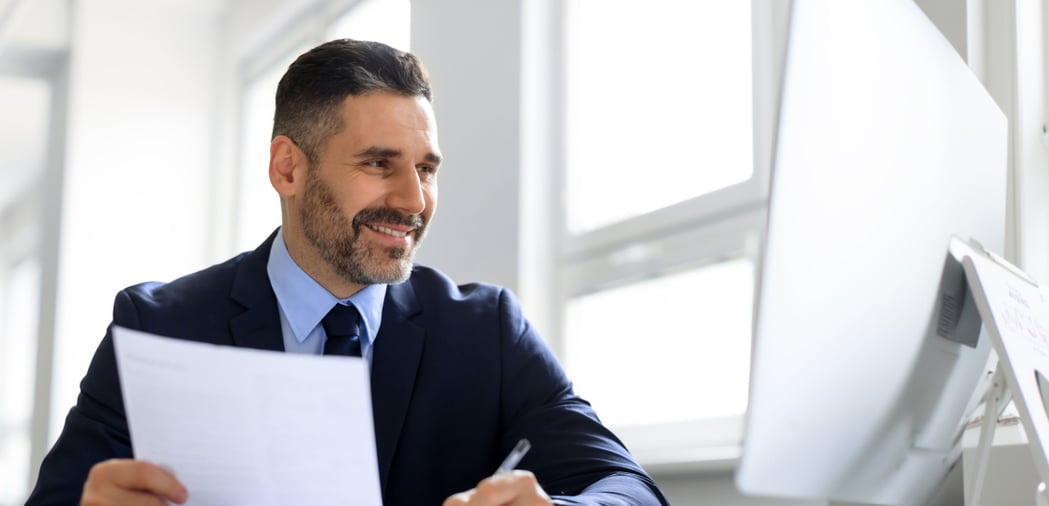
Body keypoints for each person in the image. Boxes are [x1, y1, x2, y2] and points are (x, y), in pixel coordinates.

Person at [26, 39, 668, 506]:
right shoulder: (159, 326)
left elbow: (629, 488)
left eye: (427, 168)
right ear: (288, 169)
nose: (415, 200)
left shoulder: (487, 331)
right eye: (379, 163)